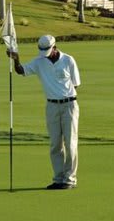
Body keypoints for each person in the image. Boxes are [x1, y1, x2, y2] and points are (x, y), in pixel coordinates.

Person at [8, 35, 81, 190]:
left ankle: (69, 179)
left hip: (69, 105)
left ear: (55, 47)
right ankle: (58, 178)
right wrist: (16, 58)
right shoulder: (39, 62)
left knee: (70, 144)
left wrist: (64, 97)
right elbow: (21, 71)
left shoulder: (68, 60)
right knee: (55, 144)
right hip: (51, 106)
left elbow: (76, 85)